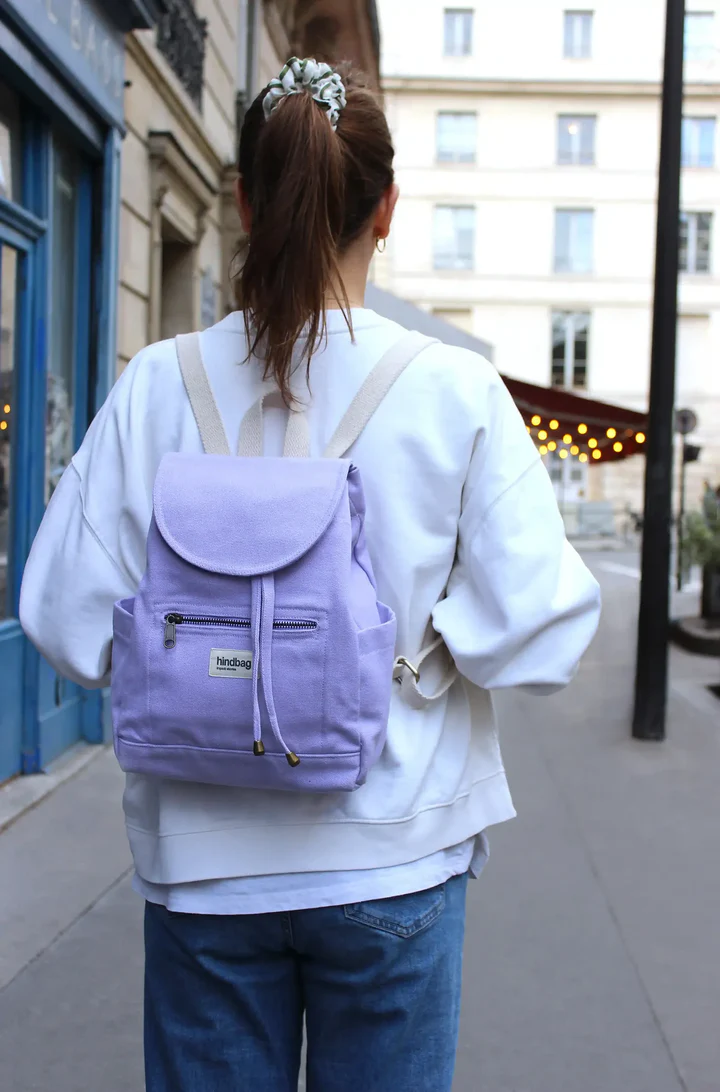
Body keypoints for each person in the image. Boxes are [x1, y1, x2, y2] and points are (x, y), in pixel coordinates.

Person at [19, 58, 601, 1092]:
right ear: (387, 211)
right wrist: (412, 651)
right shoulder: (455, 390)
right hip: (395, 852)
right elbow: (541, 625)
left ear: (246, 203)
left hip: (204, 867)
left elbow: (66, 620)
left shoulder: (159, 385)